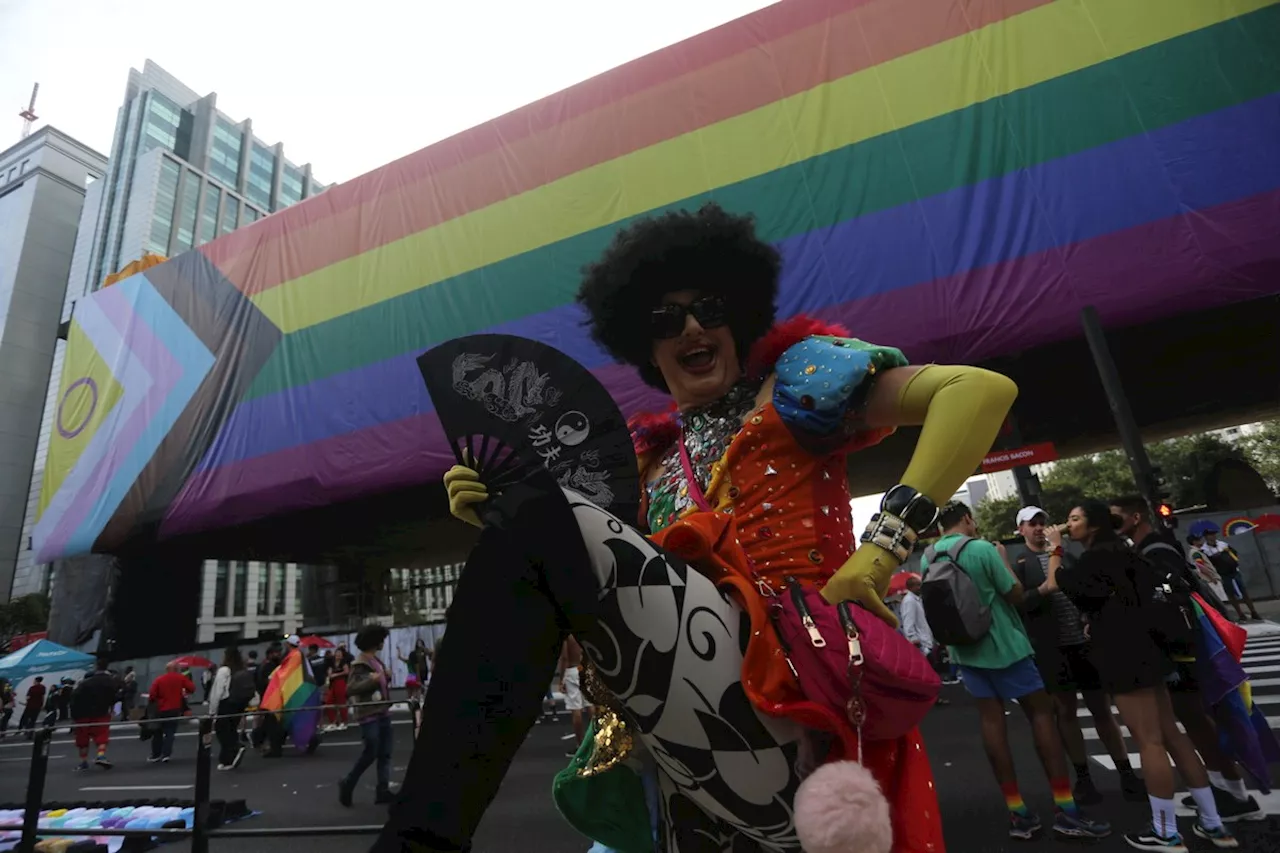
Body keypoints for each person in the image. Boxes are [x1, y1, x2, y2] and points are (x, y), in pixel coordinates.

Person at [376, 203, 1024, 852]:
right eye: (666, 319)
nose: (691, 325)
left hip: (802, 685)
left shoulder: (794, 384)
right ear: (646, 346)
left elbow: (976, 391)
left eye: (710, 308)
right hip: (688, 730)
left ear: (737, 319)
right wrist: (505, 513)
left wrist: (881, 550)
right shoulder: (647, 465)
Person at [1052, 501, 1235, 850]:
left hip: (1123, 658)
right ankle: (1213, 823)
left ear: (1092, 527)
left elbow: (1065, 584)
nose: (1068, 524)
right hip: (1152, 652)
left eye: (1075, 519)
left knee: (1149, 741)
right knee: (1173, 737)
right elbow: (1151, 592)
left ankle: (1165, 831)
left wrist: (1055, 550)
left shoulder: (1094, 560)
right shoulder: (1128, 552)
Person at [925, 501, 1109, 842]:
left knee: (991, 722)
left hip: (965, 650)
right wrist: (1003, 562)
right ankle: (1066, 809)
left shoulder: (930, 556)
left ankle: (1017, 812)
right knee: (1043, 713)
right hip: (1006, 646)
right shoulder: (981, 549)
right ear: (967, 518)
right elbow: (1015, 595)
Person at [1111, 497, 1264, 824]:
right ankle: (1227, 789)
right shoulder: (1154, 547)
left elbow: (1166, 598)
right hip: (1182, 647)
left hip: (1184, 649)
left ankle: (1234, 793)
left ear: (1135, 518)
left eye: (1115, 518)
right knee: (1196, 719)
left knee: (1197, 719)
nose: (1111, 525)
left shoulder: (1157, 551)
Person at [1010, 505, 1141, 804]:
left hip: (1084, 644)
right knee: (1065, 713)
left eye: (1043, 521)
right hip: (1051, 648)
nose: (1039, 528)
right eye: (1032, 524)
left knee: (1102, 710)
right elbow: (1018, 603)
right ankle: (1083, 778)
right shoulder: (1020, 562)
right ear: (1021, 530)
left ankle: (1126, 773)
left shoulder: (1067, 553)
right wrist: (1041, 590)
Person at [339, 624, 395, 807]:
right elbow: (351, 688)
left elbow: (378, 682)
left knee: (385, 753)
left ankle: (383, 790)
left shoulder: (376, 661)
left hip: (383, 711)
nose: (383, 643)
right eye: (381, 640)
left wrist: (385, 677)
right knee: (371, 752)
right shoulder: (359, 664)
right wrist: (374, 680)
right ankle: (348, 782)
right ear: (374, 641)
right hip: (369, 713)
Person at [899, 576, 950, 703]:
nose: (920, 587)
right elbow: (908, 622)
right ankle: (931, 698)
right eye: (917, 585)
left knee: (929, 674)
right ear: (910, 587)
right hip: (921, 645)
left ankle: (931, 698)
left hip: (926, 642)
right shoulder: (909, 601)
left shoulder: (917, 600)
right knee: (928, 675)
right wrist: (913, 639)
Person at [1199, 524, 1260, 622]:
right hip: (1223, 574)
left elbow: (1234, 554)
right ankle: (1240, 614)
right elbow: (1208, 562)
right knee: (1231, 594)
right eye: (1210, 534)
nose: (1213, 536)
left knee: (1244, 591)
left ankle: (1253, 612)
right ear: (1206, 537)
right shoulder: (1205, 549)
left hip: (1234, 571)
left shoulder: (1222, 544)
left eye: (1214, 534)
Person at [209, 646, 255, 770]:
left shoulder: (224, 670)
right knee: (231, 729)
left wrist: (212, 710)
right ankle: (228, 759)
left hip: (226, 703)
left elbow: (218, 691)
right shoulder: (240, 669)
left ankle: (234, 750)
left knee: (222, 731)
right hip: (238, 704)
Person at [70, 661, 120, 770]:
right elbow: (116, 696)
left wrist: (74, 716)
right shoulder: (110, 682)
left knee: (82, 739)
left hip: (82, 714)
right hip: (101, 712)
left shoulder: (84, 684)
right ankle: (100, 755)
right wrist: (111, 707)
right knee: (102, 735)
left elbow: (74, 699)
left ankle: (83, 762)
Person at [147, 664, 194, 763]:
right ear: (176, 669)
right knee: (170, 732)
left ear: (166, 669)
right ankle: (166, 754)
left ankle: (156, 755)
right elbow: (192, 688)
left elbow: (152, 695)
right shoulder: (180, 678)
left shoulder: (159, 679)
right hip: (175, 708)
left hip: (160, 709)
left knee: (157, 732)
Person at [556, 635, 591, 755]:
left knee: (576, 709)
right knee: (590, 705)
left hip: (571, 671)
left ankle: (580, 744)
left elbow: (565, 657)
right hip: (584, 668)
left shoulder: (567, 636)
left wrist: (561, 679)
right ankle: (596, 740)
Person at [325, 647, 351, 731]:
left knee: (341, 702)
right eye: (337, 653)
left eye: (340, 654)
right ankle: (333, 722)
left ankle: (344, 722)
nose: (338, 655)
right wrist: (331, 675)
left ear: (342, 655)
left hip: (341, 682)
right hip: (332, 683)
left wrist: (336, 675)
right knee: (329, 701)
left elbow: (346, 671)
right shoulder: (331, 662)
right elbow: (329, 672)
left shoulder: (344, 662)